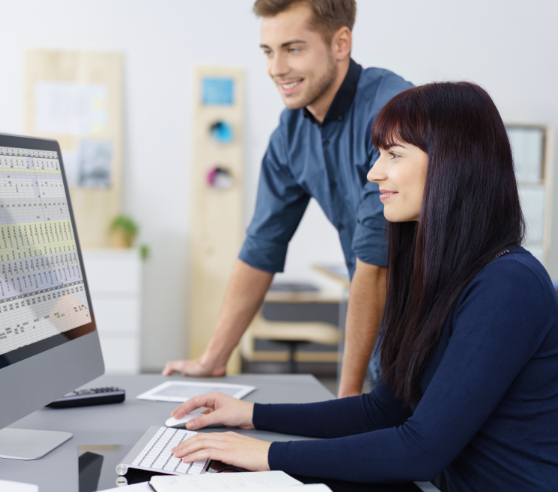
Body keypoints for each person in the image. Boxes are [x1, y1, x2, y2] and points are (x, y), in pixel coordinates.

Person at [168, 82, 558, 490]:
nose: (374, 172)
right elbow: (383, 410)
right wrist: (251, 415)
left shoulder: (507, 286)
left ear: (452, 163)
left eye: (393, 154)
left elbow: (420, 450)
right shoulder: (440, 278)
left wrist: (266, 455)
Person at [164, 0, 413, 398]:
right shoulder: (291, 133)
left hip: (436, 328)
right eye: (268, 51)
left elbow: (377, 266)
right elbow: (262, 244)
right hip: (379, 333)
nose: (276, 68)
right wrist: (213, 359)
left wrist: (345, 400)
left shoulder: (393, 112)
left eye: (293, 48)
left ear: (340, 43)